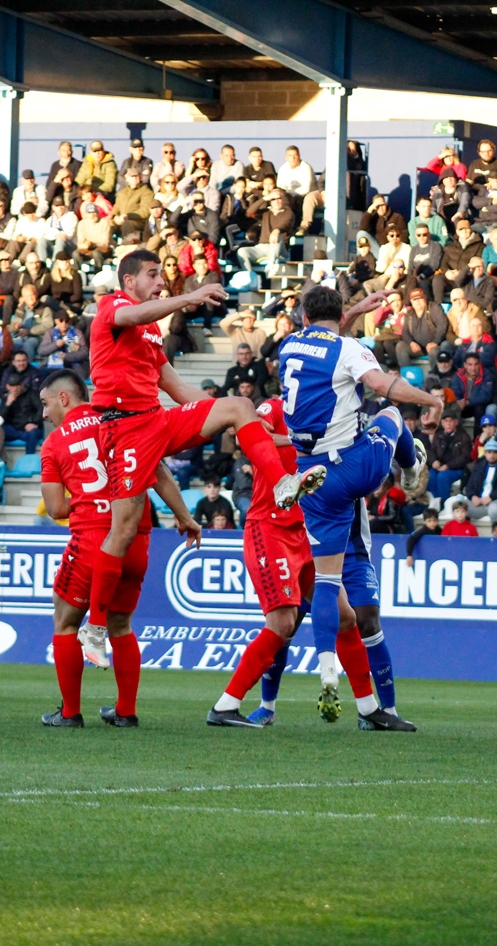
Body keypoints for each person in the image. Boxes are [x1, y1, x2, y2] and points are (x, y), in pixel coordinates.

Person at [79, 249, 324, 669]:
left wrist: (236, 420)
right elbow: (133, 318)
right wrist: (189, 298)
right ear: (128, 282)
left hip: (153, 421)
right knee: (123, 528)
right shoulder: (113, 307)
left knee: (236, 405)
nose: (160, 282)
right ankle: (95, 626)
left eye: (162, 275)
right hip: (121, 429)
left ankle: (283, 483)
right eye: (152, 275)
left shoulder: (152, 335)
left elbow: (178, 390)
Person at [277, 286, 439, 728]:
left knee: (334, 592)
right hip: (351, 470)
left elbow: (321, 334)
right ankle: (411, 469)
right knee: (389, 414)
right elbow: (380, 382)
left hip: (314, 482)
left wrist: (349, 313)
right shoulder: (349, 348)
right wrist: (432, 400)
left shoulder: (290, 343)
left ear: (305, 316)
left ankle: (333, 678)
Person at [38, 369, 197, 728]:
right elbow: (157, 472)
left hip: (92, 539)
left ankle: (69, 713)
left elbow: (56, 509)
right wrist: (184, 516)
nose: (45, 414)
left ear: (64, 398)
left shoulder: (54, 443)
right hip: (137, 539)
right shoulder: (121, 424)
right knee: (121, 625)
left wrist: (83, 497)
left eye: (46, 404)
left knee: (65, 624)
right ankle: (125, 711)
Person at [207, 397, 318, 727]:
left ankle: (371, 707)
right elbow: (248, 435)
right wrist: (298, 439)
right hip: (269, 526)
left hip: (303, 529)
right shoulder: (274, 407)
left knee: (344, 612)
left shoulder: (325, 413)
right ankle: (226, 705)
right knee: (282, 623)